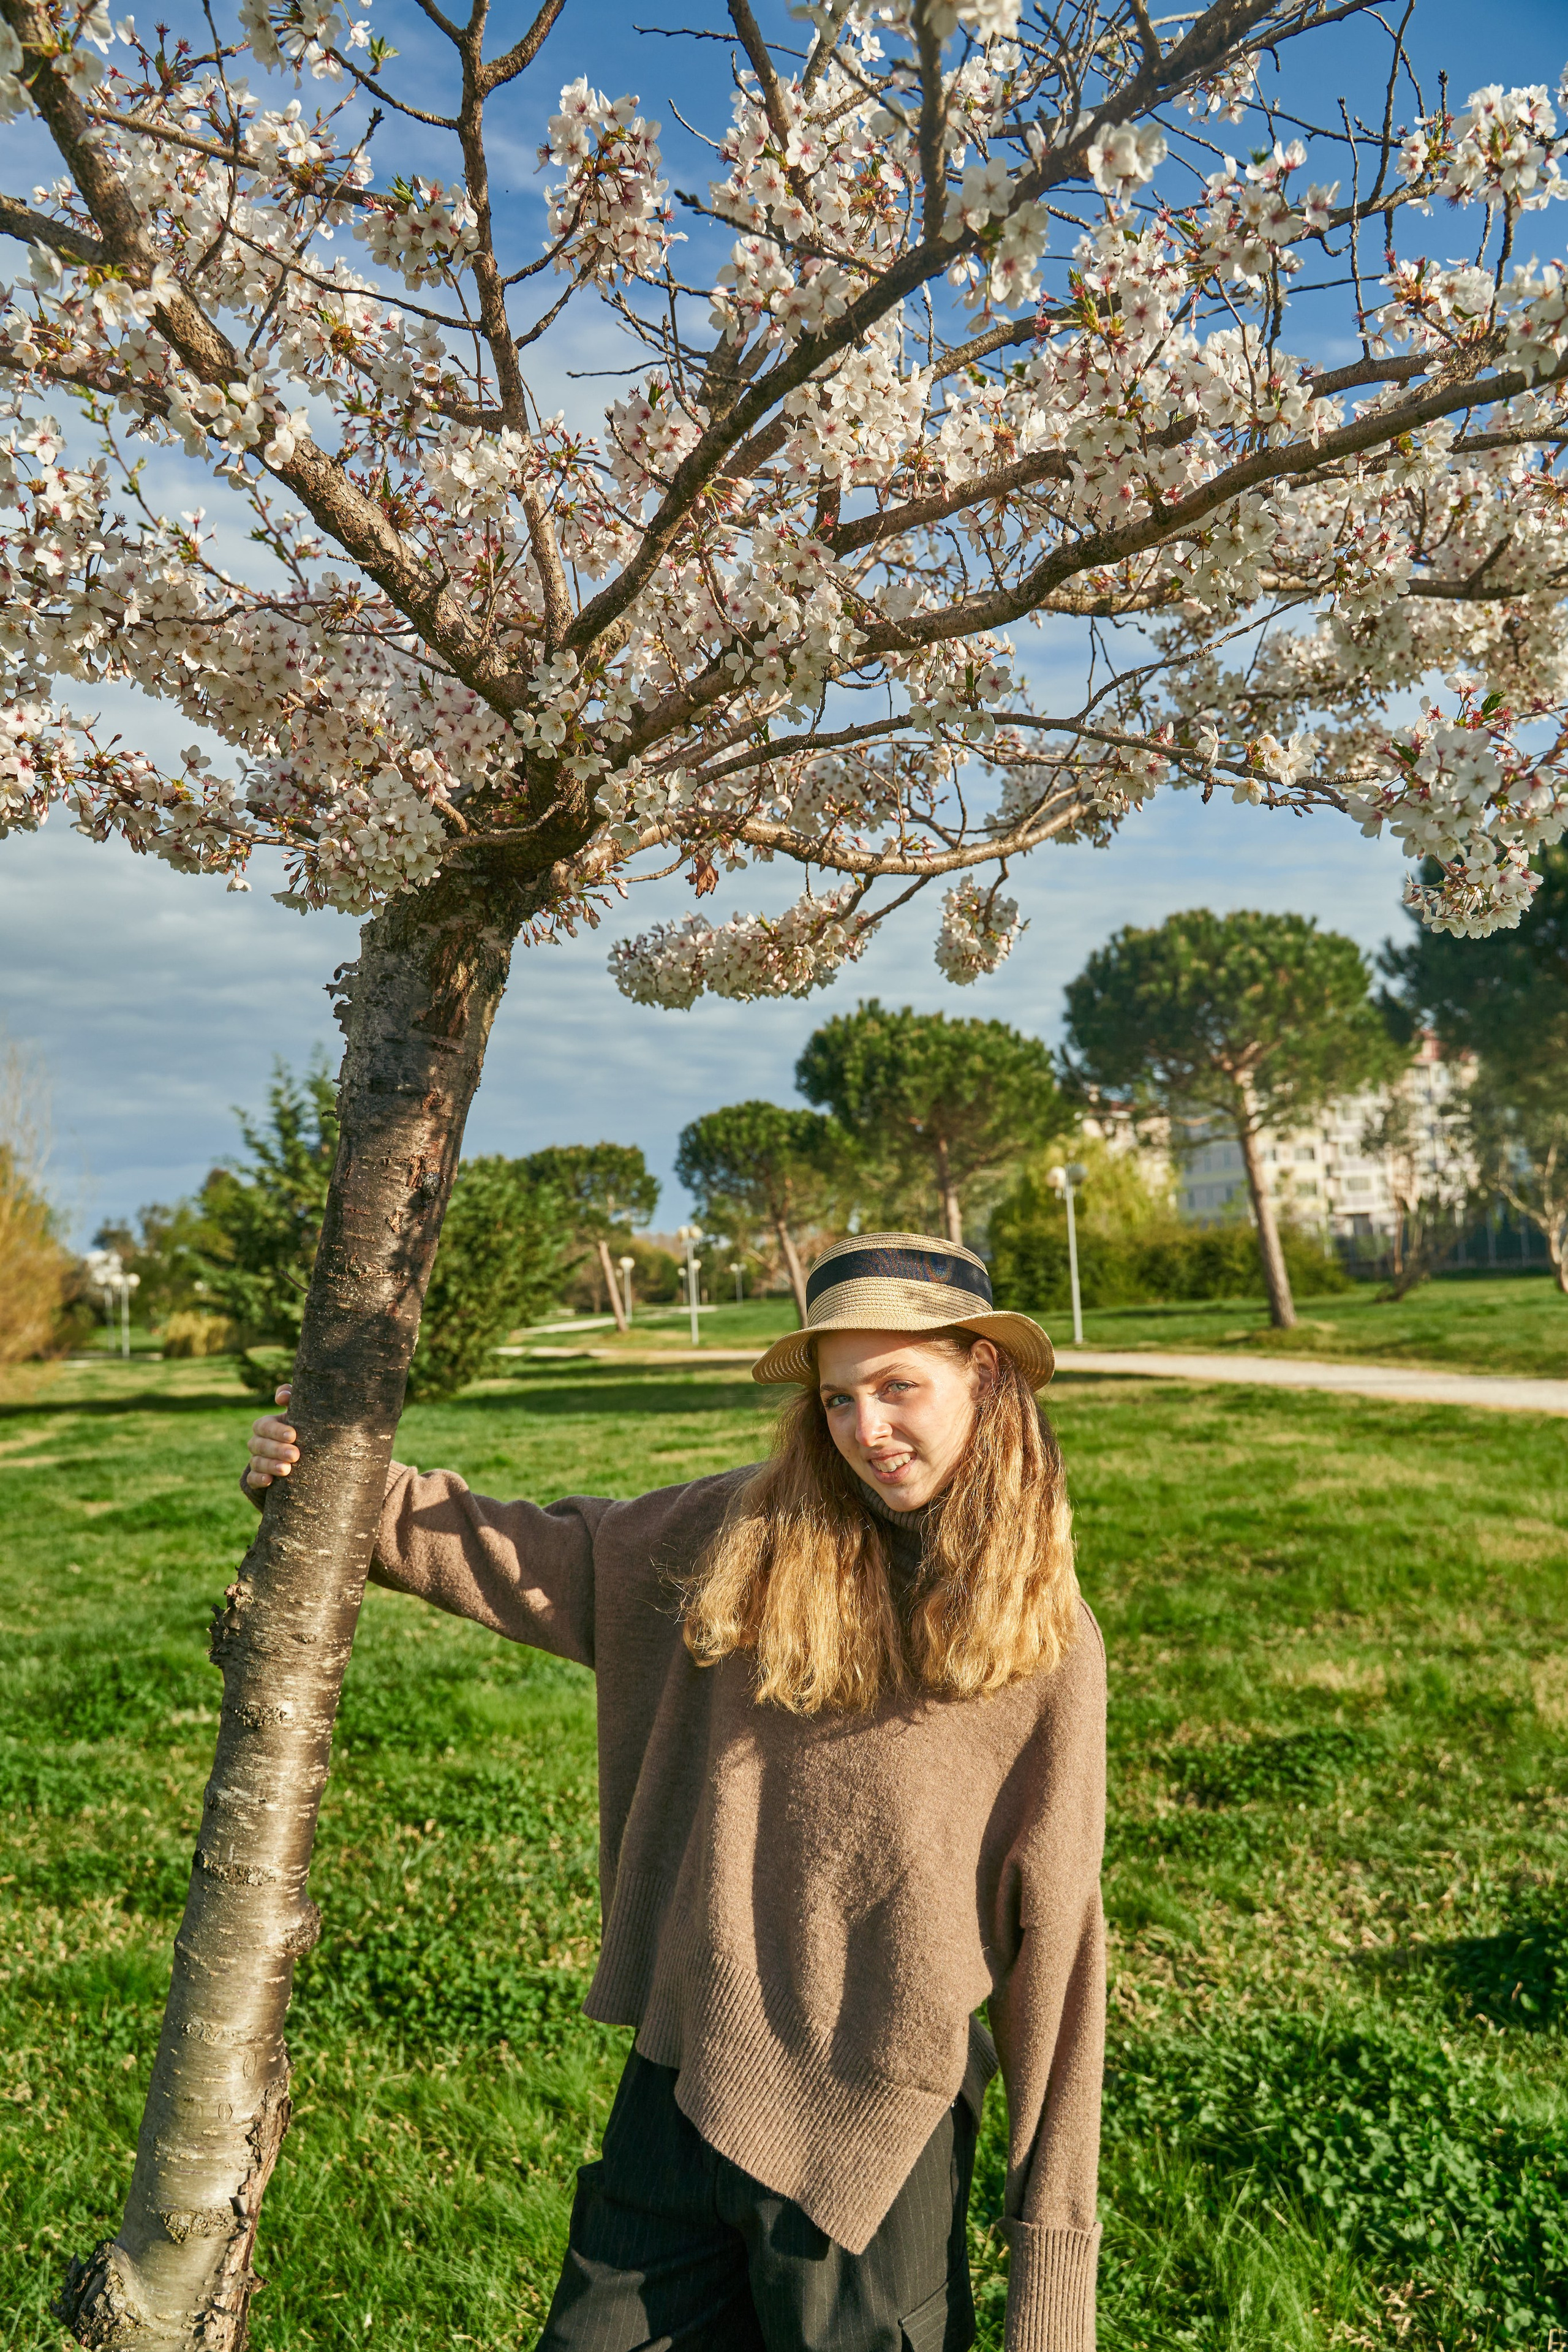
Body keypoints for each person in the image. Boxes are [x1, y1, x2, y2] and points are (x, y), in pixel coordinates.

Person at [245, 1232, 1106, 2352]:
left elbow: (1063, 1955)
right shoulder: (744, 1536)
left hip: (869, 2145)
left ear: (983, 1376)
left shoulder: (1044, 1641)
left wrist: (1049, 2289)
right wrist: (340, 1489)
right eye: (839, 1400)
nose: (867, 1430)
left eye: (899, 1387)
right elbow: (551, 1556)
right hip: (685, 2077)